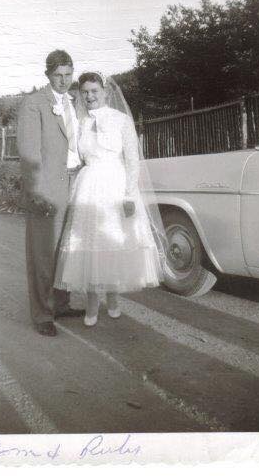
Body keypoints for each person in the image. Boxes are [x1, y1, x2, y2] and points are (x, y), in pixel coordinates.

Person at [53, 71, 167, 326]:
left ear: (105, 92)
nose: (90, 96)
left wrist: (129, 194)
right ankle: (92, 303)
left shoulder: (121, 120)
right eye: (85, 92)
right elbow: (75, 157)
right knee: (90, 245)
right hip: (89, 185)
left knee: (113, 242)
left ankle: (113, 298)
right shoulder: (80, 122)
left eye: (94, 91)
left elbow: (132, 160)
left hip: (115, 185)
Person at [17, 49, 84, 336]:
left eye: (68, 75)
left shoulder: (76, 102)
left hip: (76, 183)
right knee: (43, 252)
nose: (63, 81)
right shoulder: (34, 104)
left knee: (67, 250)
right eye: (58, 75)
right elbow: (29, 154)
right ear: (48, 75)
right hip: (48, 185)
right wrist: (36, 192)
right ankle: (42, 313)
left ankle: (61, 303)